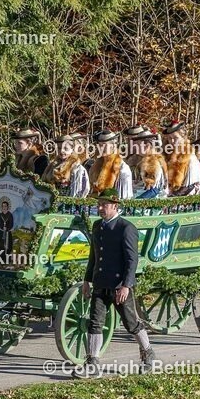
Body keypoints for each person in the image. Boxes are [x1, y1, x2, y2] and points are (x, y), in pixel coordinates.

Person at [76, 189, 157, 378]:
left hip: (119, 286)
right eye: (99, 204)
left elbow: (132, 260)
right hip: (100, 282)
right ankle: (92, 364)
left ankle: (148, 352)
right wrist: (87, 280)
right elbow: (94, 255)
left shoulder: (126, 228)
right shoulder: (98, 226)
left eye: (104, 204)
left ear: (114, 205)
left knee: (131, 324)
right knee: (94, 323)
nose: (100, 208)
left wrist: (126, 286)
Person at [162, 120, 200, 195]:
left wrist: (171, 198)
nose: (172, 141)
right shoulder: (168, 157)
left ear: (184, 138)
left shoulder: (191, 158)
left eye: (176, 138)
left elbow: (191, 186)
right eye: (170, 138)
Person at [89, 130, 133, 198]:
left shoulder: (122, 168)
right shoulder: (95, 166)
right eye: (99, 145)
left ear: (113, 146)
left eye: (104, 145)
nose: (101, 148)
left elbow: (124, 197)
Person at [133, 130, 168, 198]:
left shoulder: (153, 163)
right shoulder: (146, 160)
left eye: (137, 145)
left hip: (153, 204)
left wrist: (138, 201)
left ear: (147, 146)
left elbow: (155, 189)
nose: (135, 147)